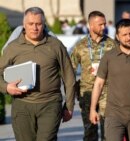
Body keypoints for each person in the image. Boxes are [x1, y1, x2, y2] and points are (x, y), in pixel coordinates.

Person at [0, 7, 76, 141]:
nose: (34, 28)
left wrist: (69, 106)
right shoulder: (13, 47)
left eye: (38, 24)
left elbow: (69, 77)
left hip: (50, 104)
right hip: (22, 106)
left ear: (44, 25)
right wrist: (6, 87)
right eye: (30, 24)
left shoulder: (56, 45)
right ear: (24, 25)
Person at [70, 11, 116, 141]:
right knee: (90, 131)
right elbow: (70, 69)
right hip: (87, 93)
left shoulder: (112, 44)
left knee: (108, 131)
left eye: (104, 24)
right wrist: (71, 95)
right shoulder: (80, 46)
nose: (104, 27)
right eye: (100, 24)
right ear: (91, 25)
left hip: (107, 92)